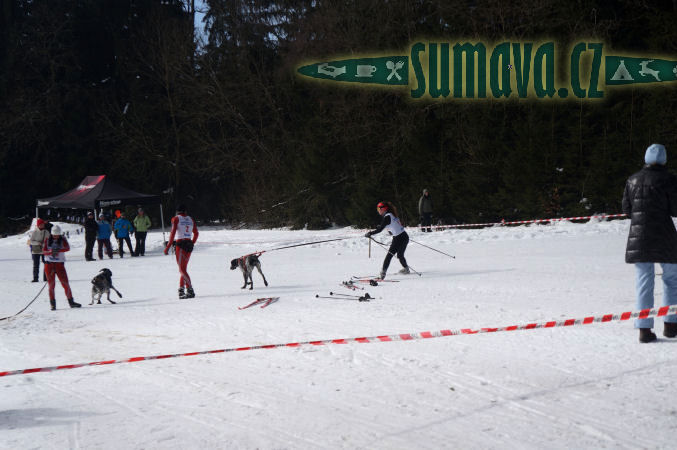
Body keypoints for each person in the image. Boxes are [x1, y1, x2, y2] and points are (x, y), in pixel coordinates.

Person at [623, 143, 677, 343]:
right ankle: (671, 325)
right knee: (672, 281)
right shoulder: (670, 180)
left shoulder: (632, 180)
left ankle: (644, 329)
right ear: (664, 160)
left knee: (644, 283)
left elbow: (627, 209)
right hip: (665, 237)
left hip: (640, 237)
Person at [364, 201, 411, 279]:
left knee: (389, 256)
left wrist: (370, 233)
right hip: (404, 236)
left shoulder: (387, 217)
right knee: (400, 255)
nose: (378, 210)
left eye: (379, 209)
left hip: (399, 238)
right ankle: (406, 269)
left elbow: (380, 229)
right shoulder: (391, 214)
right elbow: (391, 226)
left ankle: (382, 274)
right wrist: (382, 226)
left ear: (384, 209)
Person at [42, 225, 81, 310]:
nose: (56, 236)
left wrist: (58, 250)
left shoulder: (63, 239)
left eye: (57, 235)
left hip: (60, 265)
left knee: (65, 284)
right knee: (51, 285)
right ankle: (52, 304)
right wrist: (50, 252)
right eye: (54, 235)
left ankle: (71, 302)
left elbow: (67, 248)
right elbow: (43, 251)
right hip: (49, 265)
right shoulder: (47, 240)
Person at [164, 204, 199, 299]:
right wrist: (192, 243)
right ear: (185, 211)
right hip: (188, 244)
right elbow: (196, 233)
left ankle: (190, 290)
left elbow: (172, 233)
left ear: (177, 211)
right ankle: (181, 289)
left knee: (182, 270)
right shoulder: (190, 219)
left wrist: (167, 247)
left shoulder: (175, 219)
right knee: (184, 269)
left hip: (180, 245)